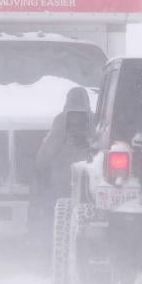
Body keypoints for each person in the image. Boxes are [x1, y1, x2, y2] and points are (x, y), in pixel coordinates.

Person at [31, 86, 93, 253]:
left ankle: (51, 252)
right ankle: (81, 250)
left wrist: (39, 169)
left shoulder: (62, 121)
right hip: (85, 184)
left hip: (59, 184)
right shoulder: (94, 121)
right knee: (83, 222)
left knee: (55, 221)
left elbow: (47, 151)